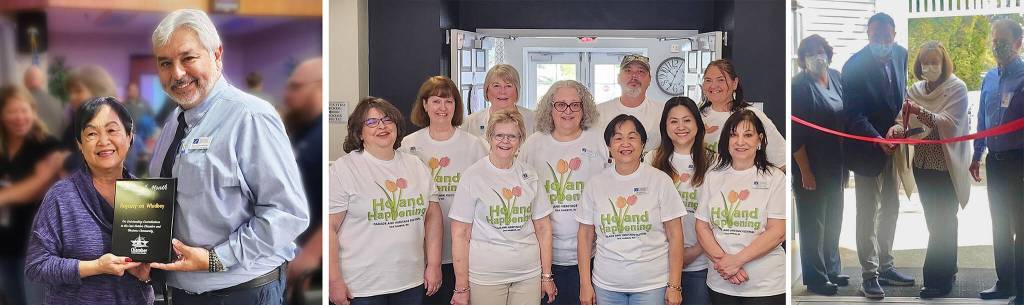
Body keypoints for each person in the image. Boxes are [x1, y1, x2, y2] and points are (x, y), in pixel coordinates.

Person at [146, 9, 310, 304]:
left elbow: (287, 213)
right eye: (165, 63)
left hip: (240, 291)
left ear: (216, 54)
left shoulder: (250, 116)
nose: (177, 73)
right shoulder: (174, 123)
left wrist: (215, 259)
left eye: (188, 58)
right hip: (183, 291)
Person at [25, 97, 153, 304]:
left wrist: (146, 276)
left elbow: (157, 268)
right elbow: (36, 266)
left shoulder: (148, 195)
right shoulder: (61, 196)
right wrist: (95, 267)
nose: (103, 141)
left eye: (112, 130)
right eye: (92, 133)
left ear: (130, 137)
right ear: (80, 145)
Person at [328, 97, 442, 305]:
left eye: (387, 119)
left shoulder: (415, 165)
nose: (381, 126)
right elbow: (328, 228)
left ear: (397, 126)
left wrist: (434, 264)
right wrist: (333, 279)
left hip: (409, 281)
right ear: (359, 133)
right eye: (371, 122)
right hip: (361, 287)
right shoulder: (343, 169)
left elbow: (433, 217)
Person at [888, 41, 971, 299]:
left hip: (946, 166)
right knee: (936, 221)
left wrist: (919, 111)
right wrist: (896, 130)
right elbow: (905, 122)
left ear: (944, 63)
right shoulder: (915, 90)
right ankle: (949, 268)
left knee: (943, 221)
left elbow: (949, 124)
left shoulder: (957, 88)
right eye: (925, 62)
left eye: (935, 62)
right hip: (922, 165)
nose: (929, 67)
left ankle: (936, 278)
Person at [840, 12, 915, 298]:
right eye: (875, 37)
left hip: (894, 147)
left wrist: (899, 128)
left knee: (891, 208)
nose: (881, 43)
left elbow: (901, 97)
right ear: (868, 36)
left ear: (894, 36)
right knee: (867, 213)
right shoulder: (853, 66)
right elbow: (853, 114)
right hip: (866, 148)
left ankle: (886, 264)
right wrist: (876, 138)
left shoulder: (901, 55)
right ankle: (869, 274)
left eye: (886, 37)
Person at [449, 109, 556, 305]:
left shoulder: (529, 174)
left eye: (512, 136)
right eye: (499, 135)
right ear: (489, 137)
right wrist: (461, 286)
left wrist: (546, 276)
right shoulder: (473, 176)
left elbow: (543, 228)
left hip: (528, 274)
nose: (505, 141)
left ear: (521, 140)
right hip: (486, 277)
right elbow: (460, 233)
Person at [397, 76, 488, 305]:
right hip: (423, 251)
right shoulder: (408, 144)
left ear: (456, 106)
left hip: (465, 248)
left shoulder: (474, 145)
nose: (442, 108)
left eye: (449, 102)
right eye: (436, 101)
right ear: (425, 105)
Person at [576, 114, 685, 305]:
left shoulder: (659, 181)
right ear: (609, 147)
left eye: (632, 137)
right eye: (618, 138)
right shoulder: (596, 184)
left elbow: (676, 235)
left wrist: (674, 286)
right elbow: (585, 236)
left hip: (651, 285)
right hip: (607, 285)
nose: (625, 143)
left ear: (643, 144)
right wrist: (585, 284)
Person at [519, 80, 608, 305]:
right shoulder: (533, 144)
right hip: (544, 257)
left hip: (592, 255)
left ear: (584, 108)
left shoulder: (598, 140)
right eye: (560, 105)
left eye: (575, 105)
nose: (567, 111)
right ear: (550, 108)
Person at [695, 110, 786, 304]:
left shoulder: (774, 177)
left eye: (748, 135)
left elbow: (778, 231)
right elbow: (702, 226)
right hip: (721, 282)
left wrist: (737, 261)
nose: (740, 141)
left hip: (765, 286)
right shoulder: (713, 176)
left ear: (759, 140)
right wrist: (725, 265)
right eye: (733, 135)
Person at [791, 34, 848, 296]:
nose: (818, 57)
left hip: (837, 163)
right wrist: (805, 171)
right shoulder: (799, 86)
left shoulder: (836, 77)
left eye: (821, 51)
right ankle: (816, 277)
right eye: (811, 53)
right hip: (810, 165)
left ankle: (832, 269)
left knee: (834, 219)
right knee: (813, 224)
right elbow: (796, 133)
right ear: (803, 59)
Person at [972, 18, 1024, 303]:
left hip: (1020, 161)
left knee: (1022, 227)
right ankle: (1004, 282)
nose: (997, 45)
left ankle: (1022, 288)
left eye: (1003, 40)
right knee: (999, 224)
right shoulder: (989, 78)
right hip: (996, 160)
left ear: (1018, 43)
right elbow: (983, 118)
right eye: (994, 40)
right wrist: (977, 153)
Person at [0, 86, 65, 305]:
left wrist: (5, 196)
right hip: (4, 245)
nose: (19, 117)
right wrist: (38, 179)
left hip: (35, 248)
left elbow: (40, 189)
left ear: (33, 111)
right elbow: (36, 183)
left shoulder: (46, 146)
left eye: (24, 110)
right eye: (11, 112)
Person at [649, 96, 714, 304]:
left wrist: (694, 251)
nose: (681, 127)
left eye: (687, 120)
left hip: (700, 266)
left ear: (697, 123)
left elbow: (720, 214)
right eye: (673, 121)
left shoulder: (715, 161)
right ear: (665, 126)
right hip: (659, 266)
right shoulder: (651, 160)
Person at [282, 58, 324, 303]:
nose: (287, 95)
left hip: (311, 266)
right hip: (290, 257)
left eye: (296, 87)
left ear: (318, 86)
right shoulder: (300, 132)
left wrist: (311, 253)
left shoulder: (319, 139)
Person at [699, 59, 786, 169]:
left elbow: (782, 161)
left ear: (734, 83)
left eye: (721, 80)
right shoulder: (696, 117)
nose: (713, 85)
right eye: (708, 80)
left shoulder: (752, 116)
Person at [596, 54, 664, 152]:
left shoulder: (662, 111)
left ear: (649, 80)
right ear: (618, 78)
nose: (634, 76)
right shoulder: (599, 112)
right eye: (628, 71)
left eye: (641, 71)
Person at [461, 64, 536, 140]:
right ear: (486, 90)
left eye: (508, 86)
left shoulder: (534, 121)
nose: (502, 91)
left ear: (517, 90)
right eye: (496, 86)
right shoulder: (470, 123)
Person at [23, 66, 64, 138]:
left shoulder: (22, 102)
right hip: (55, 144)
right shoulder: (57, 101)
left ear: (25, 81)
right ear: (42, 81)